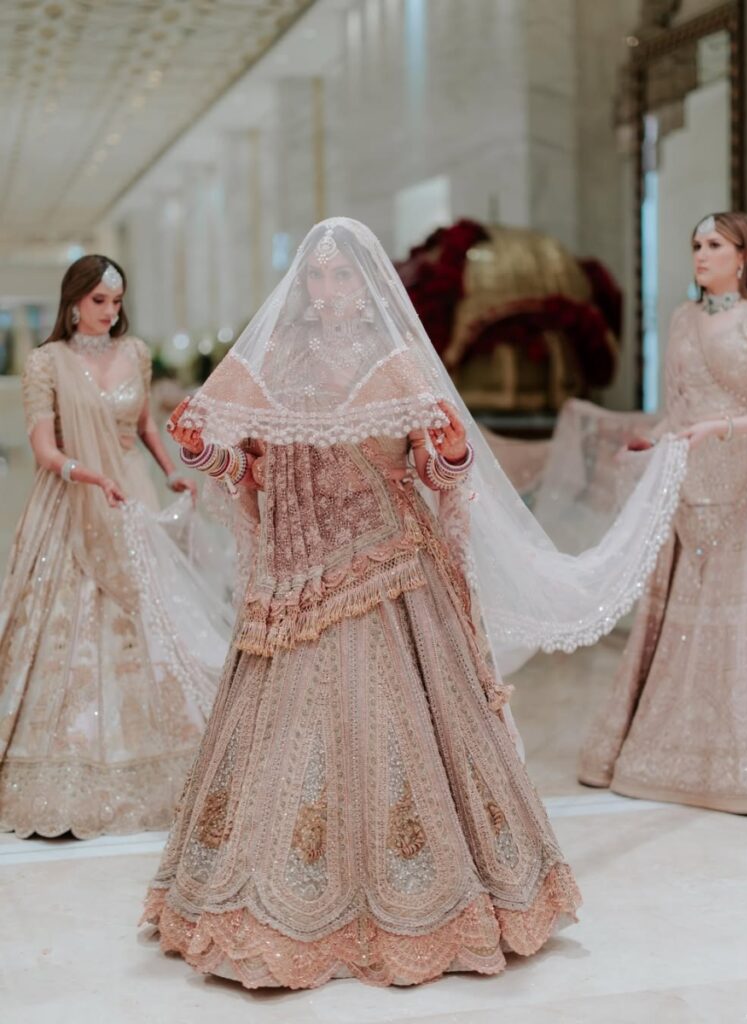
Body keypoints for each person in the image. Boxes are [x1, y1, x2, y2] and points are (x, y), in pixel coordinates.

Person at [141, 218, 687, 990]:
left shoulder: (396, 365)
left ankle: (423, 903)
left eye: (341, 277)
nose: (327, 291)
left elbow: (436, 475)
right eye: (316, 277)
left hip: (391, 574)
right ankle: (276, 904)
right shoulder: (275, 365)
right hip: (297, 584)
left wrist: (450, 450)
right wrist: (203, 451)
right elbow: (248, 471)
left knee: (399, 734)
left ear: (367, 288)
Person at [579, 211, 747, 814]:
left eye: (715, 244)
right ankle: (699, 764)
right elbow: (683, 410)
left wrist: (720, 428)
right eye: (696, 244)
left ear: (744, 255)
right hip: (698, 493)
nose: (702, 254)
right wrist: (653, 439)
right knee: (699, 629)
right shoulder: (684, 319)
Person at [0, 255, 229, 839]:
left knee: (151, 613)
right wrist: (88, 475)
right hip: (72, 499)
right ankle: (66, 761)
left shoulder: (137, 353)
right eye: (98, 300)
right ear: (74, 301)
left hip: (132, 495)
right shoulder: (46, 362)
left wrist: (170, 471)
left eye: (117, 301)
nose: (109, 311)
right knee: (71, 617)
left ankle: (167, 752)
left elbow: (146, 424)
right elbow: (44, 449)